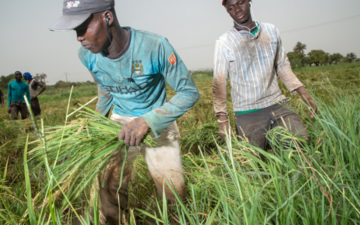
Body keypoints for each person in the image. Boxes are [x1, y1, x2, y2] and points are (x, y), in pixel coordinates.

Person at [50, 0, 199, 224]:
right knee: (108, 186)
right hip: (118, 121)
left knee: (172, 191)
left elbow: (189, 92)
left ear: (107, 17)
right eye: (76, 31)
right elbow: (105, 89)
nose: (79, 37)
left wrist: (148, 120)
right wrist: (92, 124)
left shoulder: (154, 46)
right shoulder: (88, 56)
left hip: (157, 119)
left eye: (83, 28)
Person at [213, 0, 317, 153]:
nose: (237, 9)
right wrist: (222, 120)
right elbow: (219, 82)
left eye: (240, 2)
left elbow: (281, 65)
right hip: (248, 113)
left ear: (249, 1)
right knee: (254, 163)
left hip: (278, 104)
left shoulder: (271, 31)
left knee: (299, 146)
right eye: (231, 7)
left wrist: (304, 93)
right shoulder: (224, 42)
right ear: (227, 11)